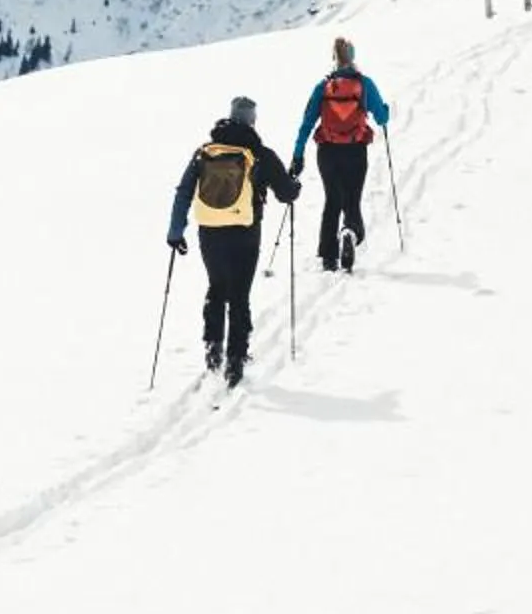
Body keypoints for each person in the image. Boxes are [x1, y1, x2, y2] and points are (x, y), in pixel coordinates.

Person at [167, 92, 299, 387]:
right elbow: (287, 193)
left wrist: (175, 232)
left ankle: (213, 347)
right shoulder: (261, 154)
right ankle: (236, 360)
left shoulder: (205, 152)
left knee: (217, 286)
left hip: (210, 232)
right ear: (252, 121)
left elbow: (184, 191)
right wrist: (294, 185)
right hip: (245, 233)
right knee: (239, 295)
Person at [290, 34, 391, 273]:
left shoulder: (323, 87)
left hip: (328, 152)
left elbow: (306, 123)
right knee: (352, 200)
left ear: (334, 59)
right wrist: (384, 109)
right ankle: (350, 232)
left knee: (332, 200)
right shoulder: (365, 84)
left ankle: (328, 257)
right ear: (353, 58)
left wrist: (297, 155)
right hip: (355, 151)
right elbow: (382, 118)